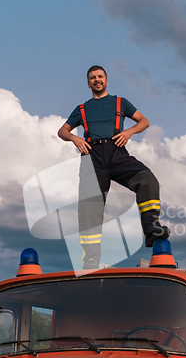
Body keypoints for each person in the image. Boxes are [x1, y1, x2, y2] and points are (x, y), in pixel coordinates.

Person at [58, 65, 169, 269]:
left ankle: (153, 230)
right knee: (90, 206)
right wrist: (74, 138)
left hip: (117, 152)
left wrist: (129, 132)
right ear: (88, 83)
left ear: (106, 81)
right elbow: (62, 131)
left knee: (147, 180)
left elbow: (144, 121)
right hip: (92, 157)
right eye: (93, 77)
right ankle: (91, 258)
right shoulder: (82, 109)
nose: (97, 80)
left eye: (100, 76)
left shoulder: (120, 102)